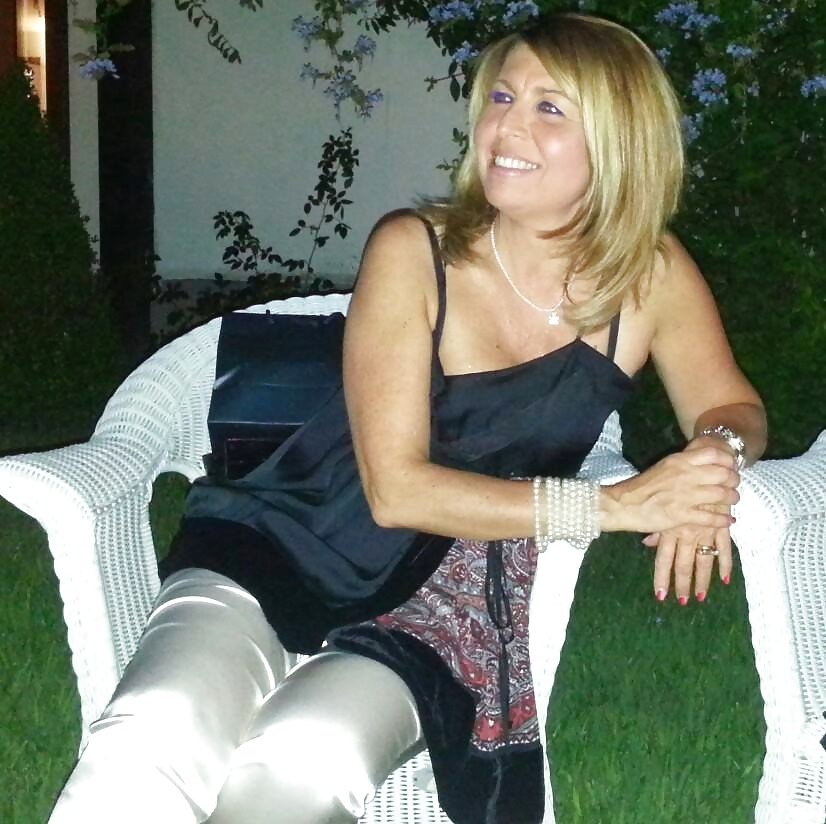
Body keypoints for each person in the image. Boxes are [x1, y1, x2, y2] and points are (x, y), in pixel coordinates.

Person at [49, 12, 766, 824]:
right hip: (285, 541)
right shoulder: (414, 249)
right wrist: (618, 506)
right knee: (154, 731)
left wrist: (713, 460)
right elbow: (396, 491)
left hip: (443, 600)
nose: (507, 127)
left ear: (621, 141)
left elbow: (732, 404)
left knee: (303, 761)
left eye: (548, 108)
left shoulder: (651, 276)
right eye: (501, 97)